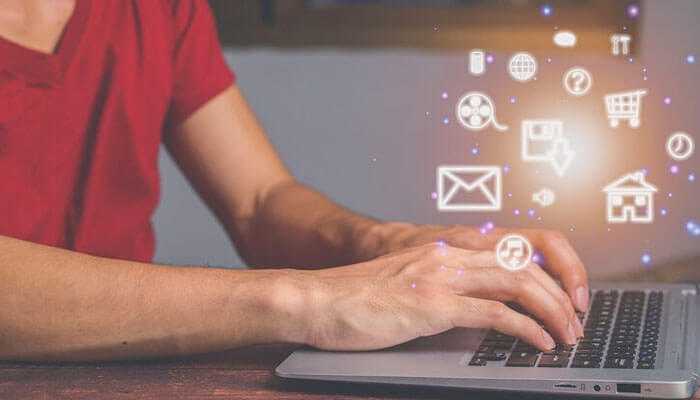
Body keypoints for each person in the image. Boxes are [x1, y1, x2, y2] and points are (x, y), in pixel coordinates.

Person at [0, 0, 588, 361]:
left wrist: (390, 245)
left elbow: (260, 201)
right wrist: (312, 300)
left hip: (129, 369)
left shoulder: (160, 7)